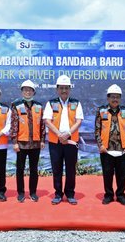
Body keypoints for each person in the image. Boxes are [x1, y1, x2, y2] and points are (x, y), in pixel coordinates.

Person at [43, 75, 84, 205]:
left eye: (66, 88)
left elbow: (79, 121)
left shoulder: (76, 103)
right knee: (57, 168)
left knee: (71, 168)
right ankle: (58, 194)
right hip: (56, 142)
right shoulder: (51, 103)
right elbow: (47, 121)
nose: (64, 90)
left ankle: (70, 193)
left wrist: (67, 134)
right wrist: (59, 134)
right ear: (57, 89)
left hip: (71, 141)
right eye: (61, 88)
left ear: (70, 89)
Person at [95, 84, 125, 206]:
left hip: (122, 149)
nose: (115, 99)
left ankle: (121, 195)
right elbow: (97, 130)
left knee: (122, 175)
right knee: (107, 174)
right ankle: (109, 195)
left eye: (117, 97)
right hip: (106, 149)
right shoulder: (101, 111)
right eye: (112, 97)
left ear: (120, 98)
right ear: (108, 98)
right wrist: (100, 145)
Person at [10, 80, 46, 203]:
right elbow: (14, 125)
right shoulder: (16, 105)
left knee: (34, 169)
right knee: (19, 169)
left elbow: (42, 125)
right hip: (21, 143)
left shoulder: (39, 106)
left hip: (35, 144)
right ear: (22, 91)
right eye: (25, 89)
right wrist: (14, 142)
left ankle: (33, 192)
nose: (27, 91)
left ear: (34, 92)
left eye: (30, 90)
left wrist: (42, 140)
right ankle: (20, 193)